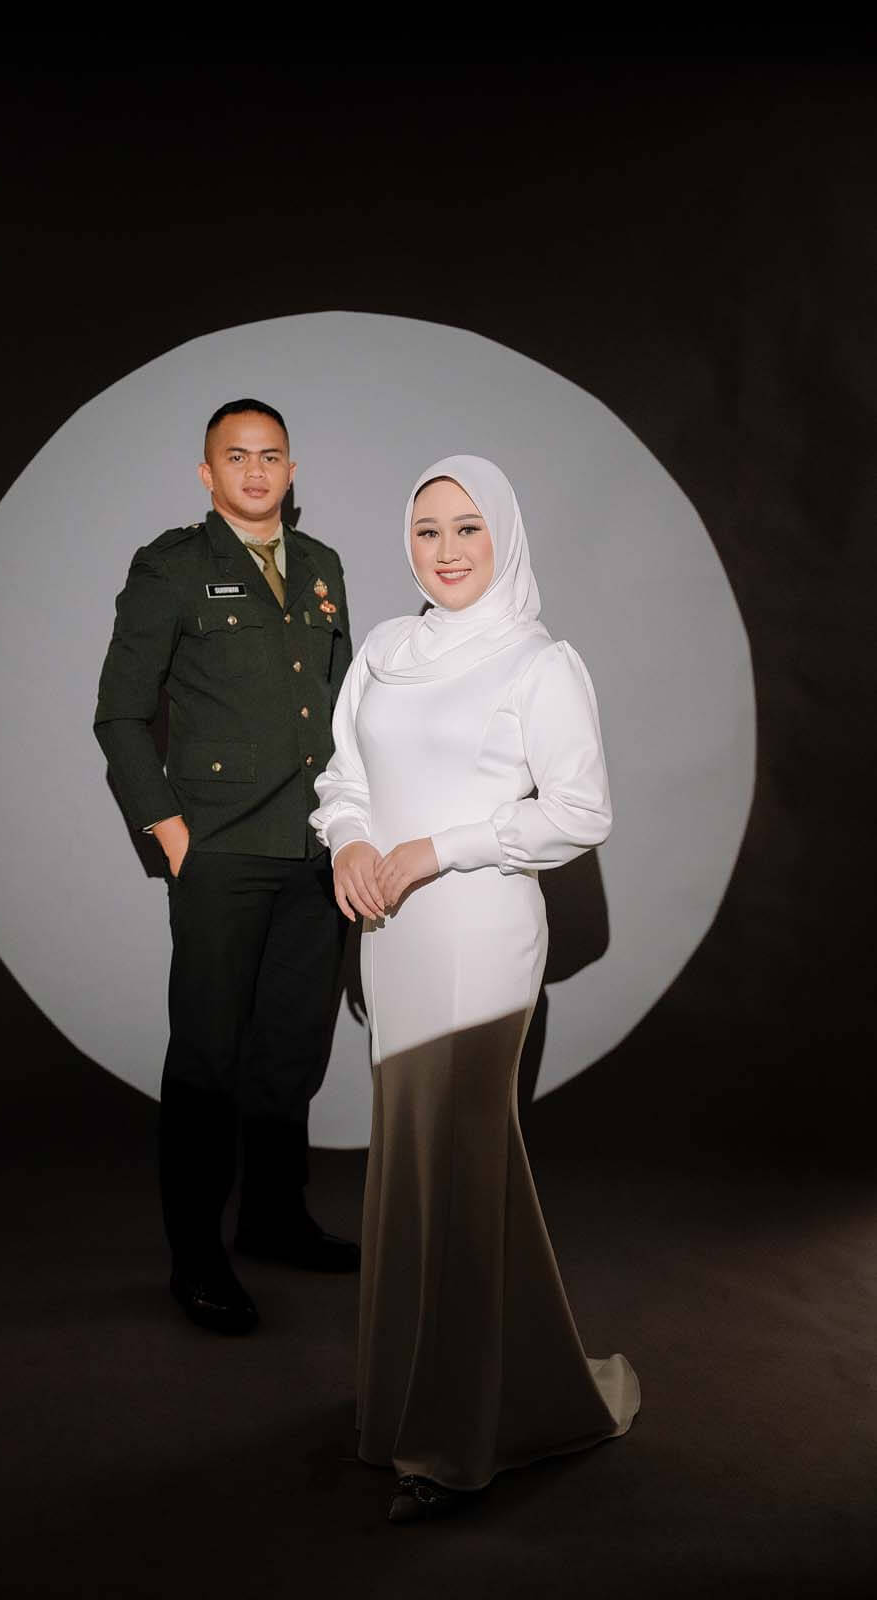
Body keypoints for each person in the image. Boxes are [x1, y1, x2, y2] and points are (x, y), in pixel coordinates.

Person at [310, 455, 640, 1523]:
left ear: (503, 536)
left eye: (467, 529)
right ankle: (420, 1403)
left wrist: (434, 848)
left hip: (479, 934)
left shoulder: (538, 661)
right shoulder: (383, 650)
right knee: (417, 1169)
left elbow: (579, 812)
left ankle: (450, 1445)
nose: (445, 551)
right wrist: (350, 843)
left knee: (455, 1165)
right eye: (426, 530)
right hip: (390, 936)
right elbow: (342, 776)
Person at [94, 399, 359, 1338]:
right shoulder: (171, 567)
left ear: (291, 469)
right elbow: (120, 713)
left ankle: (275, 1219)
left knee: (290, 1050)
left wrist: (356, 829)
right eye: (235, 457)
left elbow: (339, 709)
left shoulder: (321, 566)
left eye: (270, 455)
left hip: (313, 847)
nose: (255, 471)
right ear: (207, 475)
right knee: (209, 1058)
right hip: (220, 849)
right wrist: (168, 829)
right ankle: (197, 1256)